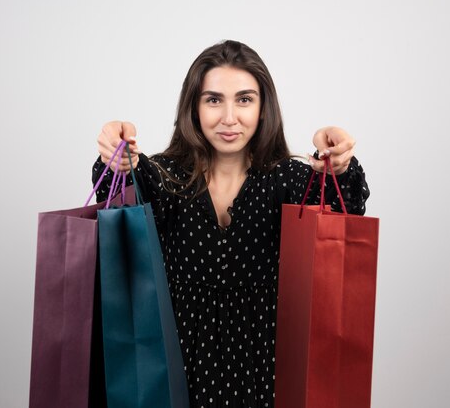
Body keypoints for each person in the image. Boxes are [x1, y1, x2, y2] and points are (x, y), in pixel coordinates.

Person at [92, 40, 369, 408]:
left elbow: (347, 209)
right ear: (193, 106)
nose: (229, 117)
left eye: (244, 99)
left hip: (268, 363)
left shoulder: (287, 178)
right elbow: (116, 200)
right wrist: (116, 157)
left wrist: (340, 164)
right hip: (173, 362)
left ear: (263, 107)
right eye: (213, 100)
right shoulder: (163, 174)